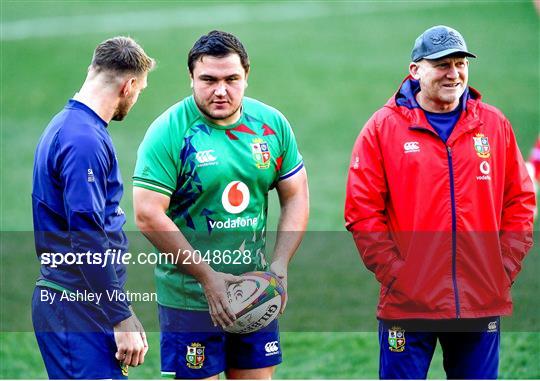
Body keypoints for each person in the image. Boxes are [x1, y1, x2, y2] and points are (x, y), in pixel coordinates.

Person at [344, 25, 535, 379]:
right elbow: (362, 212)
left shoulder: (493, 125)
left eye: (460, 62)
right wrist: (398, 275)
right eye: (441, 64)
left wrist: (504, 266)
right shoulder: (382, 128)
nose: (454, 73)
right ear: (415, 70)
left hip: (480, 300)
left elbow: (520, 201)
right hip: (409, 305)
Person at [132, 30, 308, 379]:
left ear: (246, 76)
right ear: (191, 79)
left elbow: (296, 194)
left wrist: (280, 264)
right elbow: (147, 214)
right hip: (191, 299)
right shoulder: (169, 132)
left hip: (254, 292)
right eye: (208, 80)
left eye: (232, 79)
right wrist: (207, 277)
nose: (221, 90)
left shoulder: (271, 125)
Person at [32, 36, 155, 379]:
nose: (136, 97)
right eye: (140, 90)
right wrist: (121, 314)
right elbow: (86, 234)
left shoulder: (72, 126)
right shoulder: (82, 139)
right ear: (129, 85)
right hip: (75, 305)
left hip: (84, 302)